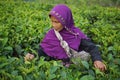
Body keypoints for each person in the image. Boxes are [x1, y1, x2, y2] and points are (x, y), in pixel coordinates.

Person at [24, 4, 106, 72]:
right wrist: (33, 55)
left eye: (56, 22)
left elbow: (92, 47)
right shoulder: (51, 34)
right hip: (56, 70)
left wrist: (97, 60)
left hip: (75, 70)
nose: (53, 25)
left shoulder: (75, 34)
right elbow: (43, 50)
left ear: (65, 20)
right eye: (52, 21)